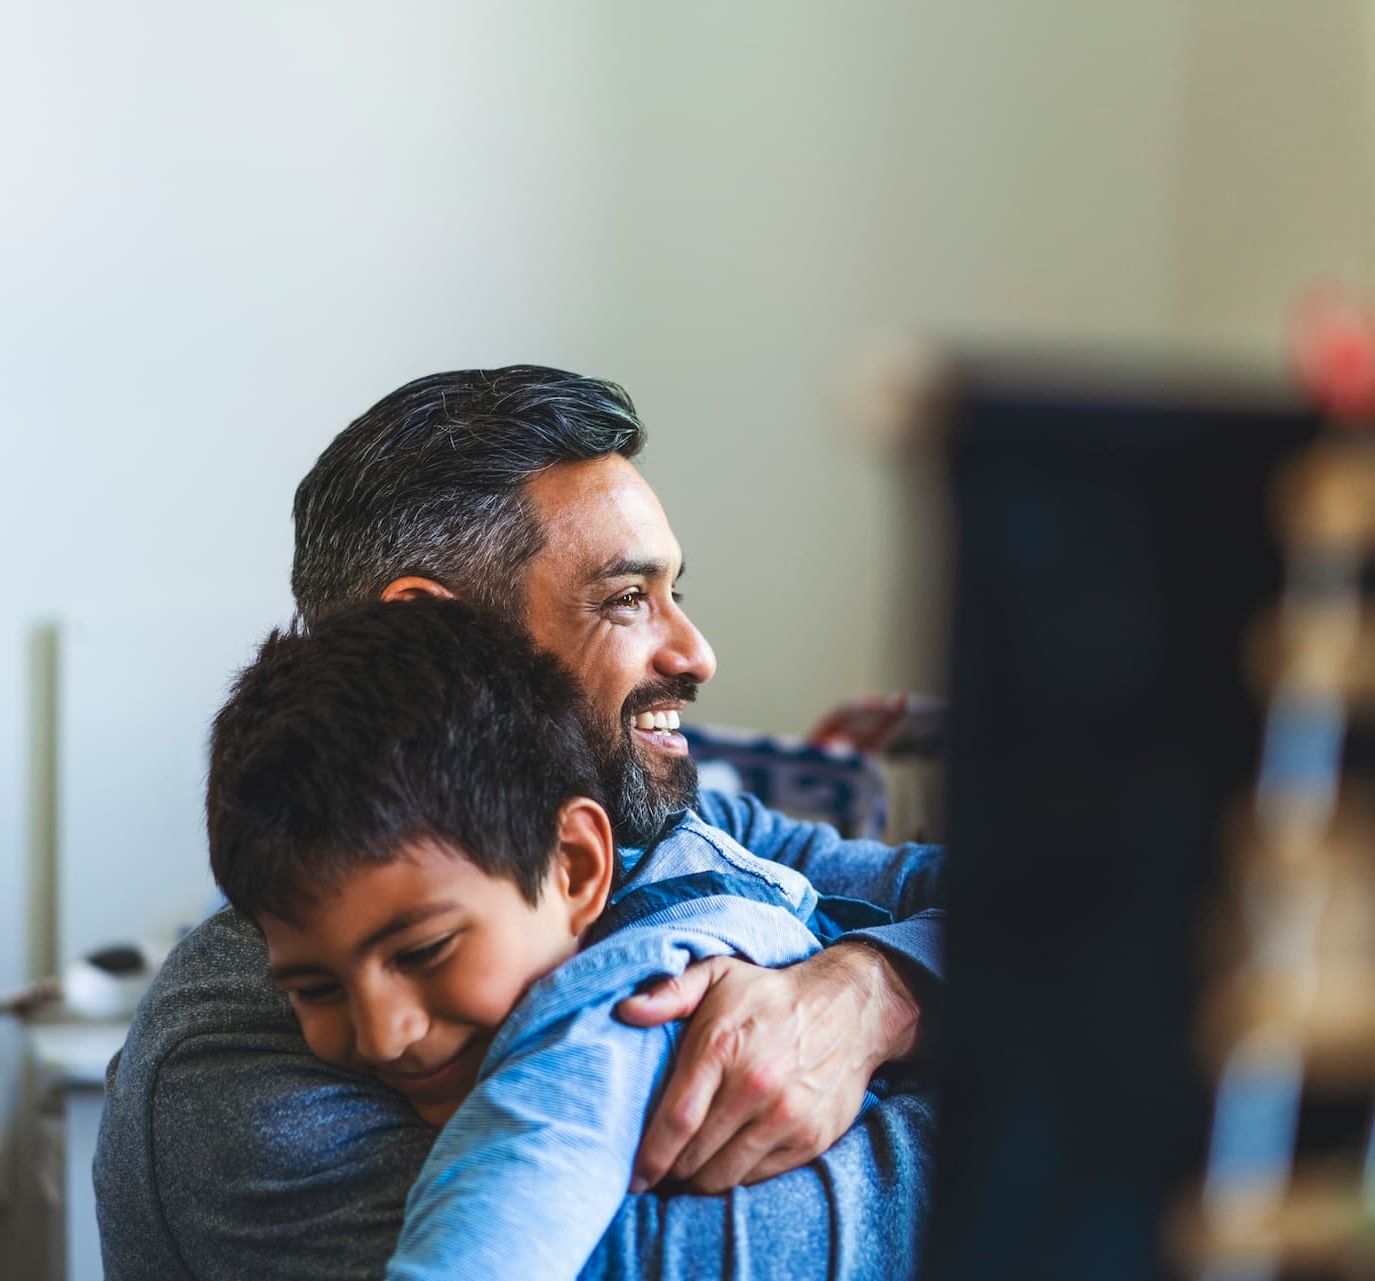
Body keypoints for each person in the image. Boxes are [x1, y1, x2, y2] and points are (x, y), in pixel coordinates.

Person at [95, 366, 946, 1280]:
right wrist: (1062, 1091)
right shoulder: (233, 1067)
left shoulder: (651, 828)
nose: (694, 654)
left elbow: (1070, 917)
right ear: (438, 632)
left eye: (675, 594)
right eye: (627, 597)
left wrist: (876, 989)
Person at [206, 599, 903, 1280]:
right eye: (316, 988)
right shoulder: (211, 1057)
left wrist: (887, 988)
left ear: (577, 867)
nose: (384, 1034)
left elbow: (509, 1194)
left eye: (424, 951)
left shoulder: (608, 1016)